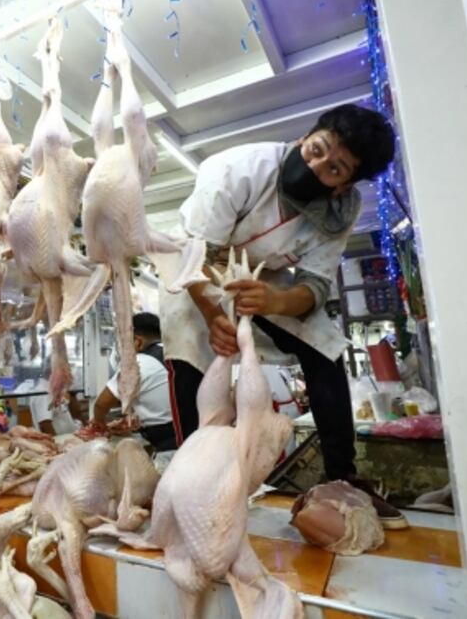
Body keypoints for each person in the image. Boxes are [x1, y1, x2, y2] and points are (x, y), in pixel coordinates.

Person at [159, 104, 407, 528]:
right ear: (306, 135)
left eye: (334, 169)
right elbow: (192, 251)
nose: (316, 165)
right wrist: (211, 311)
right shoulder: (239, 168)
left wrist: (273, 302)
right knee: (189, 355)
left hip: (264, 277)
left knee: (326, 345)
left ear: (342, 187)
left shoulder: (339, 212)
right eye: (317, 149)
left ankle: (342, 476)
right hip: (193, 267)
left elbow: (313, 288)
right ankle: (192, 477)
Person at [91, 313, 177, 451]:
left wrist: (99, 424)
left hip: (167, 444)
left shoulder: (139, 363)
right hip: (190, 436)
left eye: (124, 344)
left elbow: (101, 404)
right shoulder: (174, 354)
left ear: (138, 342)